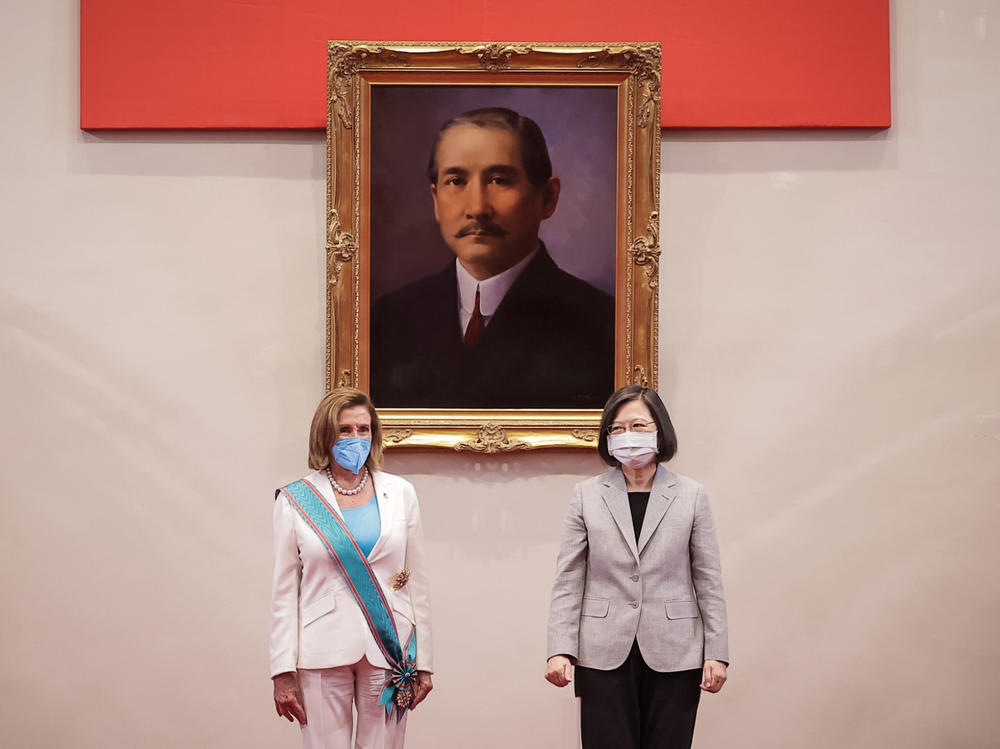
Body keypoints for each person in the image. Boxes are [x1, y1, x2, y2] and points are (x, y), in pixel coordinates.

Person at [370, 106, 614, 409]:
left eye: (499, 180)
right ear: (435, 200)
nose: (477, 207)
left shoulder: (601, 325)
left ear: (548, 198)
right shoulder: (389, 319)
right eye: (456, 181)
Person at [545, 385, 729, 749]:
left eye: (639, 426)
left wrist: (717, 653)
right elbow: (569, 578)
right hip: (601, 651)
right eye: (617, 428)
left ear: (660, 430)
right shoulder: (587, 495)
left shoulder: (692, 495)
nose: (628, 436)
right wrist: (559, 648)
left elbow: (708, 579)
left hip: (677, 651)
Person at [269, 388, 433, 749]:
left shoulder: (401, 492)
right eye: (345, 430)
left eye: (364, 429)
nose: (356, 438)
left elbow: (417, 581)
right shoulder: (295, 499)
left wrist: (425, 661)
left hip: (389, 647)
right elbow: (283, 594)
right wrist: (282, 670)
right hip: (321, 650)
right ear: (325, 434)